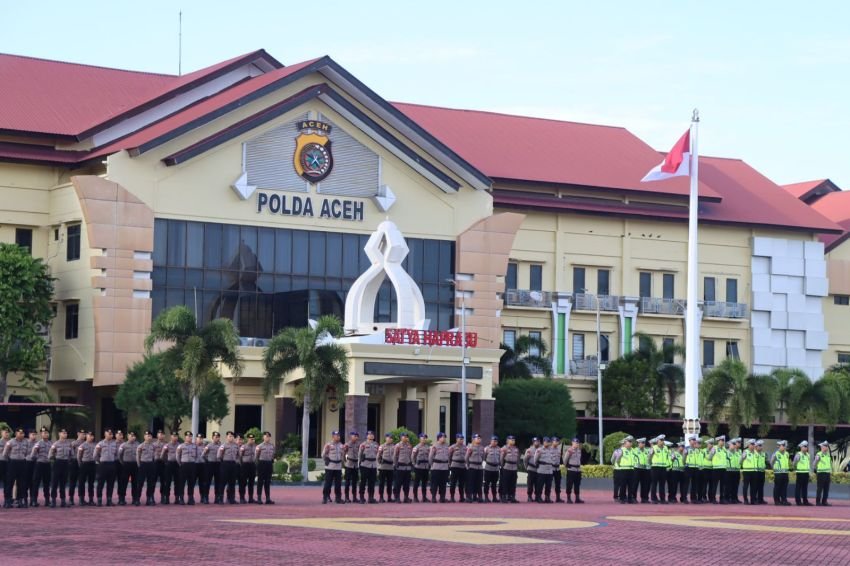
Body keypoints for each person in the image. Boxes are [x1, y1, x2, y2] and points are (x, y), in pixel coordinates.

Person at [3, 428, 28, 508]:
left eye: (23, 433)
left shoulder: (26, 442)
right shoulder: (10, 442)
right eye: (20, 433)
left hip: (22, 463)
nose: (22, 434)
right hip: (12, 463)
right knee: (9, 482)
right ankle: (7, 500)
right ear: (16, 433)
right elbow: (5, 453)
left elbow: (27, 452)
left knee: (22, 482)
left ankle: (20, 500)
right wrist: (10, 460)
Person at [48, 428, 73, 507]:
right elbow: (50, 455)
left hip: (65, 463)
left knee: (63, 483)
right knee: (54, 483)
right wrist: (53, 461)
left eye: (65, 433)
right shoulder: (55, 444)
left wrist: (69, 461)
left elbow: (71, 454)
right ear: (59, 434)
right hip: (57, 463)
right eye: (63, 433)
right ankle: (53, 500)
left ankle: (63, 501)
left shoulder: (69, 444)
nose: (65, 434)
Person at [94, 429, 119, 506]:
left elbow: (116, 454)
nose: (110, 435)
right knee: (100, 483)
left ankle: (109, 500)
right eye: (109, 434)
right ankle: (99, 500)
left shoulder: (115, 444)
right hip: (103, 465)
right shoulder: (100, 444)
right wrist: (99, 462)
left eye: (111, 434)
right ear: (105, 434)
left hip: (111, 464)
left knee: (110, 483)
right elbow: (95, 455)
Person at [30, 426, 52, 507]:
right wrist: (35, 458)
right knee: (36, 483)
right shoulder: (38, 443)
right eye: (44, 433)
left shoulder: (51, 443)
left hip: (47, 464)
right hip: (39, 464)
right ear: (41, 434)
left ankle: (47, 500)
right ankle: (34, 500)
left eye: (47, 433)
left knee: (47, 483)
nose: (46, 434)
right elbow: (33, 454)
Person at [117, 431, 139, 506]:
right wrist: (122, 463)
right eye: (131, 435)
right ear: (128, 436)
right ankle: (122, 498)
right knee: (124, 482)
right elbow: (119, 456)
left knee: (135, 482)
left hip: (135, 465)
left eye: (133, 436)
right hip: (126, 464)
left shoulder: (138, 445)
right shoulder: (123, 445)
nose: (132, 437)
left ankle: (135, 499)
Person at [136, 431, 158, 506]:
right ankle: (137, 498)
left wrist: (153, 463)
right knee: (140, 483)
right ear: (144, 437)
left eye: (150, 436)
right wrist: (139, 465)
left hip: (151, 464)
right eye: (147, 435)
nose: (148, 437)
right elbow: (138, 457)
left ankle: (149, 498)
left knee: (150, 483)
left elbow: (155, 455)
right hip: (143, 464)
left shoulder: (153, 446)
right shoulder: (140, 446)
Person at [176, 431, 199, 505]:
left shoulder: (194, 446)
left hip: (192, 465)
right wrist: (180, 463)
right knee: (182, 482)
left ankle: (190, 498)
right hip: (183, 465)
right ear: (185, 437)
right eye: (188, 436)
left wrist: (193, 462)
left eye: (190, 436)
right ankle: (181, 498)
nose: (189, 437)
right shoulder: (181, 446)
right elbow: (177, 456)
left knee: (191, 482)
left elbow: (197, 456)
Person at [322, 430, 344, 504]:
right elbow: (323, 455)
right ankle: (325, 497)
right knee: (328, 483)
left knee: (338, 483)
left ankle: (338, 498)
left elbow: (343, 455)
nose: (338, 437)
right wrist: (326, 460)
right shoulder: (328, 445)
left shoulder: (341, 445)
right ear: (333, 436)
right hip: (330, 466)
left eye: (339, 436)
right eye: (336, 436)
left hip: (338, 466)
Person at [611, 436, 635, 504]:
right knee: (623, 485)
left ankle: (630, 498)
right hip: (623, 469)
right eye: (629, 442)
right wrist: (618, 465)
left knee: (631, 485)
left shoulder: (632, 450)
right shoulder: (620, 450)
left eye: (631, 442)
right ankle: (622, 498)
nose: (630, 443)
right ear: (624, 443)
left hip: (631, 469)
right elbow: (614, 460)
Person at [218, 432, 239, 504]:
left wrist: (235, 461)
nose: (231, 438)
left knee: (232, 482)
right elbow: (219, 456)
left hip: (233, 464)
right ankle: (220, 498)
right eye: (229, 436)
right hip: (225, 464)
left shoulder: (236, 446)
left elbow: (238, 455)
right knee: (223, 482)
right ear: (226, 437)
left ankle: (231, 498)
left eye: (232, 436)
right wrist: (223, 461)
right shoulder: (223, 446)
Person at [428, 432, 450, 503]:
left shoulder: (447, 446)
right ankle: (433, 497)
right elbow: (430, 457)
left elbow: (449, 456)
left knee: (443, 483)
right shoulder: (434, 446)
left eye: (444, 437)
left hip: (444, 467)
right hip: (436, 467)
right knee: (435, 483)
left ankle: (442, 497)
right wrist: (431, 465)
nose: (444, 438)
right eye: (442, 437)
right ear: (439, 438)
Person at [358, 431, 379, 504]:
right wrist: (359, 465)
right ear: (367, 436)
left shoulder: (376, 444)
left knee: (372, 482)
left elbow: (378, 455)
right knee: (363, 482)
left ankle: (371, 497)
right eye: (369, 434)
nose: (371, 436)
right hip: (365, 465)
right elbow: (359, 455)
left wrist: (377, 465)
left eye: (372, 434)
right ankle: (361, 497)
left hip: (373, 465)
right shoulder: (363, 445)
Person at [76, 431, 96, 506]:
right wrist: (80, 464)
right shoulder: (82, 445)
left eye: (92, 436)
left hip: (92, 464)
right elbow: (79, 457)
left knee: (91, 483)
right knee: (81, 482)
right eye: (89, 435)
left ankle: (91, 499)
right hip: (84, 464)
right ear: (86, 436)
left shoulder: (95, 445)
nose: (91, 437)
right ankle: (81, 499)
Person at [533, 437, 555, 503]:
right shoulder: (539, 450)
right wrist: (538, 466)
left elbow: (553, 459)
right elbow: (535, 460)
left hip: (549, 469)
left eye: (548, 442)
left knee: (548, 485)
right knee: (540, 484)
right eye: (546, 442)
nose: (547, 443)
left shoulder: (551, 450)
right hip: (542, 469)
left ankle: (547, 497)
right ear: (543, 442)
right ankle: (539, 497)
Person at [255, 431, 275, 505]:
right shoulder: (259, 446)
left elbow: (273, 455)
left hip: (269, 464)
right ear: (263, 437)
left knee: (267, 481)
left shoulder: (272, 446)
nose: (267, 438)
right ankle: (259, 498)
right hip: (261, 463)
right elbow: (256, 456)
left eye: (268, 436)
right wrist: (258, 464)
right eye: (266, 436)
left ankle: (268, 498)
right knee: (260, 481)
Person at [160, 431, 180, 504]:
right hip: (169, 464)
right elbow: (162, 455)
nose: (175, 437)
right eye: (173, 436)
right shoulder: (167, 445)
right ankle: (167, 498)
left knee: (177, 482)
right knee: (167, 482)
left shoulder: (180, 445)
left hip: (177, 464)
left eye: (176, 436)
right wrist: (165, 462)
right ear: (171, 437)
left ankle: (177, 498)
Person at [499, 435, 520, 503]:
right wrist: (502, 466)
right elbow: (501, 458)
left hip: (514, 467)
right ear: (507, 440)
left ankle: (512, 496)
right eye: (511, 440)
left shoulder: (516, 449)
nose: (513, 441)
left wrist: (517, 466)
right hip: (507, 466)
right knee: (505, 483)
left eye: (514, 440)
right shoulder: (504, 448)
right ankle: (504, 496)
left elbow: (517, 459)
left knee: (513, 483)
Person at [465, 433, 485, 503]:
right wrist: (468, 465)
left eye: (480, 438)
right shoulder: (470, 447)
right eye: (477, 438)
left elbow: (482, 457)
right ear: (473, 439)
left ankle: (478, 496)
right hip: (472, 466)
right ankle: (469, 496)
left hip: (479, 467)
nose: (479, 439)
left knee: (479, 482)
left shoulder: (482, 448)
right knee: (471, 482)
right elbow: (466, 457)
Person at [68, 429, 86, 506]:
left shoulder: (86, 443)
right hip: (74, 462)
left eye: (84, 434)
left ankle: (81, 498)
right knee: (73, 481)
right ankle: (71, 498)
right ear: (78, 433)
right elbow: (69, 454)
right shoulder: (73, 443)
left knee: (82, 481)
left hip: (83, 462)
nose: (83, 435)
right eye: (82, 434)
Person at [203, 431, 222, 504]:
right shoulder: (209, 446)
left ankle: (217, 497)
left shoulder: (221, 445)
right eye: (215, 437)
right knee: (207, 481)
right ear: (212, 438)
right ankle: (206, 497)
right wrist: (207, 461)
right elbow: (203, 455)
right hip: (210, 464)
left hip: (218, 464)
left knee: (218, 482)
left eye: (217, 437)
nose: (216, 438)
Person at [649, 435, 669, 504]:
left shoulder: (666, 448)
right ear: (657, 441)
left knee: (662, 484)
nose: (662, 441)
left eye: (663, 440)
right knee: (654, 483)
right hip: (655, 467)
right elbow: (649, 457)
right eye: (661, 440)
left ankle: (662, 499)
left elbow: (667, 457)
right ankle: (653, 498)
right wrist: (651, 464)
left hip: (663, 467)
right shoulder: (653, 448)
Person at [238, 433, 257, 504]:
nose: (252, 440)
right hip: (245, 465)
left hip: (252, 465)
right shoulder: (243, 447)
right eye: (250, 439)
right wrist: (242, 464)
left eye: (253, 439)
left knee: (251, 482)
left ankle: (251, 498)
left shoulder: (256, 446)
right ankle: (242, 498)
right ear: (248, 439)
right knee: (243, 482)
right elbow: (240, 456)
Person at [343, 431, 361, 503]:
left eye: (357, 436)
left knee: (354, 482)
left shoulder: (359, 445)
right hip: (349, 464)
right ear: (351, 436)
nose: (356, 437)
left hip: (355, 465)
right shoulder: (347, 445)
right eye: (354, 436)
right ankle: (346, 497)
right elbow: (343, 453)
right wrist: (344, 462)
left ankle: (354, 497)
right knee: (347, 482)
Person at [771, 440, 791, 506]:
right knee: (777, 487)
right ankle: (777, 500)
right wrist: (775, 469)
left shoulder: (787, 454)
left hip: (785, 473)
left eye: (785, 446)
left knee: (784, 487)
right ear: (779, 446)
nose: (784, 447)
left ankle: (784, 500)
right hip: (778, 473)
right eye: (783, 446)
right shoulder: (776, 453)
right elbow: (771, 462)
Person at [412, 433, 430, 502]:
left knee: (424, 483)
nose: (424, 439)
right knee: (416, 483)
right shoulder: (416, 447)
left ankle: (424, 497)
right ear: (420, 439)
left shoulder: (428, 447)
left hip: (425, 467)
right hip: (418, 467)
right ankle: (415, 497)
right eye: (423, 438)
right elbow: (413, 457)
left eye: (425, 438)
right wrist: (414, 464)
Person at [564, 437, 583, 504]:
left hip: (578, 470)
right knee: (569, 484)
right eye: (575, 443)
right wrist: (566, 465)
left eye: (577, 443)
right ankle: (568, 498)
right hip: (571, 469)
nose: (577, 444)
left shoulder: (579, 450)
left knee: (577, 485)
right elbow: (565, 460)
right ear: (572, 443)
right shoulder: (569, 450)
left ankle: (577, 498)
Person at [377, 433, 395, 503]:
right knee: (381, 483)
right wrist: (379, 465)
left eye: (391, 438)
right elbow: (378, 457)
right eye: (389, 438)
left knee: (389, 483)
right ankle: (381, 497)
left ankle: (389, 497)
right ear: (386, 438)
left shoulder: (394, 447)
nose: (390, 439)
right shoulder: (382, 446)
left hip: (390, 467)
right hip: (383, 467)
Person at [448, 433, 467, 503]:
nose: (462, 440)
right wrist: (449, 464)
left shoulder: (465, 447)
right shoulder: (452, 447)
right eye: (460, 439)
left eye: (462, 439)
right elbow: (449, 456)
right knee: (453, 482)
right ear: (457, 439)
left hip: (463, 466)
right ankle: (452, 497)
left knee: (462, 483)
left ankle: (461, 497)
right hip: (455, 465)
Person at [793, 440, 812, 506]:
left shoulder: (808, 455)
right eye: (804, 446)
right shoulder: (798, 454)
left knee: (805, 488)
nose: (806, 448)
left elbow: (808, 464)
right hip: (800, 473)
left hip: (806, 473)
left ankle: (805, 501)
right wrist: (796, 469)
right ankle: (798, 501)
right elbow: (794, 463)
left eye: (806, 446)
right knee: (798, 487)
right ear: (801, 447)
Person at [483, 435, 501, 503]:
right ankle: (486, 497)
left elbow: (500, 458)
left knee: (494, 484)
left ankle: (494, 497)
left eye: (496, 441)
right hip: (488, 468)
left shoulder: (499, 449)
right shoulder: (486, 449)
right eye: (493, 441)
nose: (494, 442)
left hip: (496, 468)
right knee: (486, 483)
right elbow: (484, 457)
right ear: (491, 441)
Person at [814, 440, 831, 506]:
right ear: (822, 447)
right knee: (820, 488)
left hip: (827, 473)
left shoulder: (828, 455)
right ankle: (818, 502)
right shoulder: (819, 454)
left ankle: (824, 501)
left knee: (826, 488)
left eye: (827, 446)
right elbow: (814, 463)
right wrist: (816, 470)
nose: (826, 447)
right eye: (825, 446)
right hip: (821, 473)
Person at [523, 437, 540, 503]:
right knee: (530, 484)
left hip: (538, 469)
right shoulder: (529, 450)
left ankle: (537, 496)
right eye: (536, 441)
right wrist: (526, 467)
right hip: (531, 468)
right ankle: (529, 496)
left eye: (538, 441)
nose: (537, 443)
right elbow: (525, 460)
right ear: (533, 442)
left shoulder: (540, 450)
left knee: (538, 484)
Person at [726, 438, 742, 504]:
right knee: (728, 485)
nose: (735, 445)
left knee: (735, 485)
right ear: (730, 444)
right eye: (733, 444)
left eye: (735, 444)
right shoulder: (726, 452)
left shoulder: (737, 452)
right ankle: (727, 498)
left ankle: (734, 498)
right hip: (729, 470)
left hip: (736, 470)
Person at [634, 438, 650, 503]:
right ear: (638, 443)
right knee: (635, 484)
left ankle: (644, 498)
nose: (643, 444)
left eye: (644, 443)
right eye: (642, 443)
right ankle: (633, 497)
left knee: (645, 484)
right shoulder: (634, 450)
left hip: (645, 468)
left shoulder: (647, 450)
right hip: (637, 468)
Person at [683, 437, 699, 503]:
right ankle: (684, 498)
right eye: (693, 440)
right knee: (686, 483)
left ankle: (693, 498)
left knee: (694, 484)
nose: (694, 441)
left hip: (695, 467)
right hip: (688, 467)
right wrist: (685, 464)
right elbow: (684, 458)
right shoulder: (687, 448)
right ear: (689, 441)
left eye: (695, 440)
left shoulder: (697, 449)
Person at [194, 434, 209, 504]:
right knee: (192, 482)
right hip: (194, 465)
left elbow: (207, 456)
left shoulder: (205, 446)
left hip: (203, 465)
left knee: (203, 482)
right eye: (198, 438)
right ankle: (191, 497)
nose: (200, 439)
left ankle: (203, 497)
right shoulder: (192, 446)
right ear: (196, 439)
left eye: (201, 438)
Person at [754, 440, 767, 504]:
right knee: (755, 486)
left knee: (761, 486)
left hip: (762, 471)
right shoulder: (753, 453)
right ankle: (754, 498)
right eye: (759, 445)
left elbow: (765, 462)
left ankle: (760, 499)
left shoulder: (763, 454)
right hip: (756, 471)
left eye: (761, 445)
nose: (761, 447)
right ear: (756, 446)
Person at [551, 436, 563, 503]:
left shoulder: (559, 450)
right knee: (548, 483)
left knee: (558, 483)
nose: (556, 443)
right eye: (555, 441)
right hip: (551, 468)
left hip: (557, 468)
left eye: (557, 441)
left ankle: (558, 497)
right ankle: (547, 497)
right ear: (552, 442)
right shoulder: (549, 449)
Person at [0, 427, 8, 496]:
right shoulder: (0, 441)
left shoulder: (10, 441)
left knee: (7, 481)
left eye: (7, 432)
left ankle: (7, 499)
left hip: (8, 462)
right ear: (1, 433)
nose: (7, 434)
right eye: (5, 432)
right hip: (1, 462)